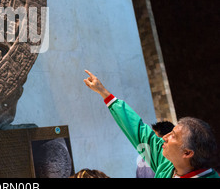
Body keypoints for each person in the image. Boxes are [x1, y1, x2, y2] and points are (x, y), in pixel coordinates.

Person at [84, 70, 219, 178]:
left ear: (187, 152)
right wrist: (104, 93)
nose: (164, 137)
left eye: (173, 136)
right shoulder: (166, 164)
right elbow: (139, 131)